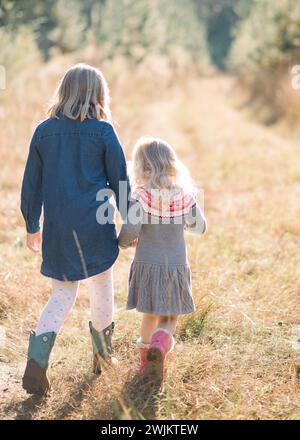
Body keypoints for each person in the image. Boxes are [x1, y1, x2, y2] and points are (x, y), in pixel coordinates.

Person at [20, 63, 129, 395]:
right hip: (95, 229)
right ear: (98, 94)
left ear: (64, 91)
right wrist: (131, 221)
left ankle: (35, 366)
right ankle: (102, 358)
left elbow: (31, 185)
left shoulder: (43, 131)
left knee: (62, 295)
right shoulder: (104, 132)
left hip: (59, 230)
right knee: (101, 289)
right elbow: (122, 183)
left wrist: (32, 224)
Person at [118, 136, 207, 380]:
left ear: (141, 167)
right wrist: (182, 222)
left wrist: (123, 243)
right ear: (171, 164)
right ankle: (161, 343)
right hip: (175, 266)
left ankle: (146, 362)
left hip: (147, 264)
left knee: (149, 313)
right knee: (168, 317)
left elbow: (130, 230)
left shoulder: (141, 196)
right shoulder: (184, 195)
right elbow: (200, 227)